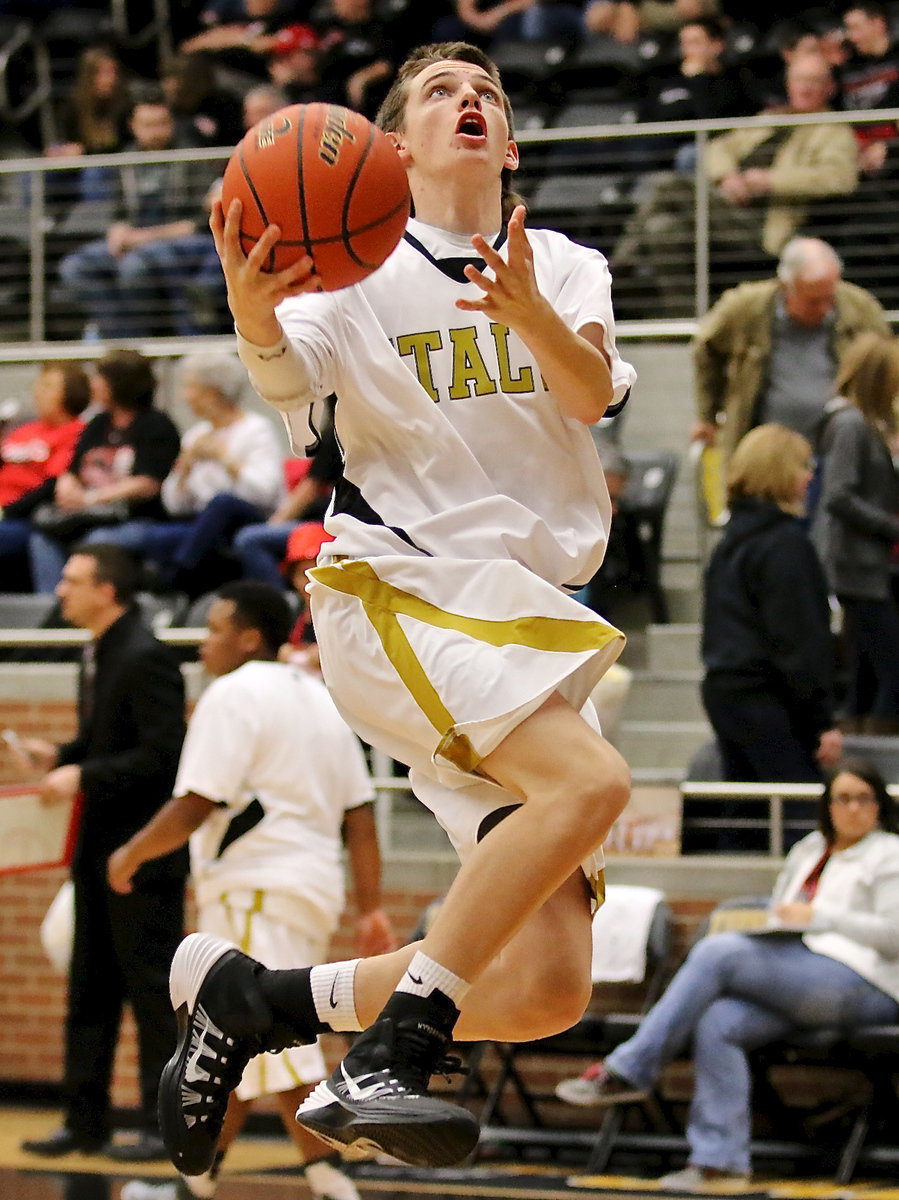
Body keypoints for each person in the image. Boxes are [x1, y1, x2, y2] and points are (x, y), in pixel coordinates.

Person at [155, 39, 636, 1176]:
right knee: (592, 784)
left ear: (507, 145)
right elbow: (285, 379)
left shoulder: (564, 264)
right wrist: (254, 316)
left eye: (487, 93)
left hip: (521, 620)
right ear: (392, 146)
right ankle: (391, 1055)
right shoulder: (352, 274)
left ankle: (257, 1000)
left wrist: (525, 309)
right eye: (439, 91)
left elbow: (588, 394)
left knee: (544, 987)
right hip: (402, 589)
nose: (469, 101)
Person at [107, 581, 395, 1200]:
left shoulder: (232, 693)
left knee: (252, 1034)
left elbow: (197, 801)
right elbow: (361, 815)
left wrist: (131, 853)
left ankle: (335, 1176)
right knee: (241, 1039)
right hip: (311, 888)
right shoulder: (321, 697)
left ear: (249, 638)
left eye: (214, 629)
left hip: (255, 888)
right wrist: (370, 905)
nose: (203, 643)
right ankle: (212, 1184)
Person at [555, 757, 899, 1191]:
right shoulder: (810, 849)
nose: (853, 808)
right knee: (719, 1022)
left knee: (718, 953)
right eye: (842, 798)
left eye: (864, 799)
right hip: (799, 976)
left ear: (879, 805)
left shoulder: (889, 853)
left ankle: (630, 1068)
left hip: (865, 984)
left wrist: (820, 916)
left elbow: (894, 935)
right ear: (827, 805)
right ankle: (721, 1164)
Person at [16, 544, 187, 1163]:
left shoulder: (146, 655)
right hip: (95, 851)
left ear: (107, 590)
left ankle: (161, 1128)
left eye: (73, 580)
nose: (60, 590)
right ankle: (83, 1122)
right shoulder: (99, 652)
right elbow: (105, 744)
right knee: (88, 989)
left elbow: (162, 758)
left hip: (142, 858)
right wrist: (62, 756)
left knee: (152, 996)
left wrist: (83, 775)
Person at [611, 53, 860, 317]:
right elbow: (717, 148)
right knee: (661, 227)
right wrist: (727, 177)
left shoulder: (834, 131)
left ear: (829, 88)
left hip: (766, 226)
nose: (805, 87)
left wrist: (769, 180)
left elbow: (840, 178)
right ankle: (685, 321)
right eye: (799, 79)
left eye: (813, 80)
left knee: (666, 184)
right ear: (788, 83)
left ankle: (618, 269)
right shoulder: (771, 118)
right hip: (728, 208)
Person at [700, 423, 843, 785]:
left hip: (725, 691)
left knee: (748, 806)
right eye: (803, 466)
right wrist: (821, 720)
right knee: (797, 805)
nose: (810, 477)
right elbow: (799, 639)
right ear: (779, 472)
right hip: (770, 699)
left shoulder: (730, 543)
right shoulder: (786, 546)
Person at [691, 236, 890, 460]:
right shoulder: (746, 308)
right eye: (813, 301)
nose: (824, 308)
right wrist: (708, 415)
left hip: (841, 451)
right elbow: (705, 347)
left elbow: (887, 364)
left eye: (830, 297)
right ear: (786, 287)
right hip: (765, 452)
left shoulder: (861, 308)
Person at [57, 82, 221, 339]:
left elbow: (200, 222)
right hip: (137, 241)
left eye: (161, 123)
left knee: (135, 266)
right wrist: (117, 230)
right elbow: (119, 213)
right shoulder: (127, 160)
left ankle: (148, 340)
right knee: (75, 267)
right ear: (133, 126)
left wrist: (145, 237)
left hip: (182, 241)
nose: (155, 131)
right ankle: (124, 341)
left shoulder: (192, 157)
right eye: (148, 124)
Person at [116, 351, 285, 594]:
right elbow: (175, 506)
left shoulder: (256, 429)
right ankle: (168, 593)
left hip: (250, 516)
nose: (184, 397)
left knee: (222, 503)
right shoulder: (196, 435)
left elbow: (265, 494)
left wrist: (226, 459)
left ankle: (177, 576)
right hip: (205, 523)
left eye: (190, 387)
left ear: (213, 392)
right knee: (154, 537)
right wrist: (185, 469)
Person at [27, 350, 181, 594]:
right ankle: (56, 606)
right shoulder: (98, 423)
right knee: (43, 539)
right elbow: (72, 470)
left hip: (135, 517)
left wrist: (90, 498)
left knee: (96, 544)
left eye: (100, 378)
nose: (93, 384)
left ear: (119, 383)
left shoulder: (156, 425)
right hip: (86, 514)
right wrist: (68, 488)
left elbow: (148, 484)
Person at [812, 331, 899, 731]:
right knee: (891, 667)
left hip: (866, 564)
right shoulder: (850, 424)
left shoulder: (864, 423)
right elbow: (838, 495)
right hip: (855, 564)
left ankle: (862, 739)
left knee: (867, 671)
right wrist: (891, 527)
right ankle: (879, 744)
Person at [232, 397, 341, 586]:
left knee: (249, 539)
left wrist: (273, 525)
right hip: (332, 519)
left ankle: (281, 599)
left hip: (327, 524)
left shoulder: (338, 433)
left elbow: (309, 489)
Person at [0, 361, 92, 583]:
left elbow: (52, 486)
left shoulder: (77, 433)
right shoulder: (23, 430)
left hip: (27, 518)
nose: (37, 392)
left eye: (48, 386)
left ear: (70, 393)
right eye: (38, 385)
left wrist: (5, 511)